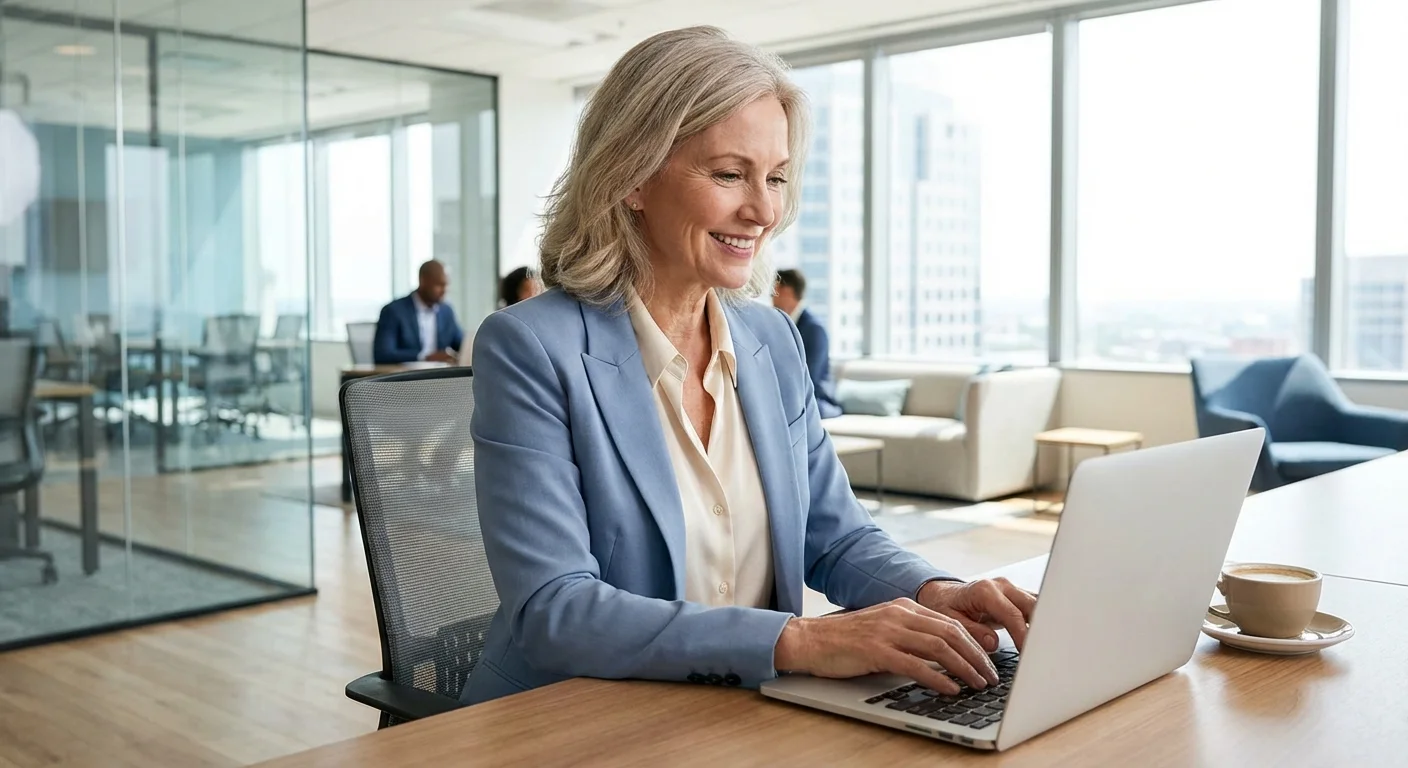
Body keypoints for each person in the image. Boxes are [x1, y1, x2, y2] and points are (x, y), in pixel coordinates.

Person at [464, 26, 1035, 706]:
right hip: (575, 719)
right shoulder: (530, 348)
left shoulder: (770, 340)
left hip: (744, 716)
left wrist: (934, 590)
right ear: (632, 177)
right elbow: (554, 609)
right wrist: (800, 642)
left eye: (777, 177)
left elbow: (835, 534)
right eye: (730, 174)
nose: (764, 209)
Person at [773, 269, 842, 419]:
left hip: (815, 400)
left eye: (774, 290)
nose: (771, 297)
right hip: (789, 397)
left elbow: (809, 379)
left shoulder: (814, 329)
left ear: (787, 291)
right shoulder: (779, 324)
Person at [372, 260, 464, 364]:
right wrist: (425, 357)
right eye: (439, 285)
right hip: (406, 377)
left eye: (446, 285)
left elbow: (461, 344)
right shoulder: (393, 311)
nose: (444, 290)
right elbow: (383, 354)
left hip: (441, 376)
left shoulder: (446, 311)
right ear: (423, 281)